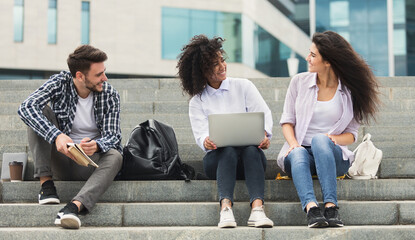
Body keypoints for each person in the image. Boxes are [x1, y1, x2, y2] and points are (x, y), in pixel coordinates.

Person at [277, 31, 380, 228]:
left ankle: (331, 207)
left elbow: (351, 135)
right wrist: (293, 144)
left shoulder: (349, 92)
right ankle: (312, 209)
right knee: (299, 152)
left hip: (332, 155)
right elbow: (287, 121)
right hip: (300, 156)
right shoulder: (298, 82)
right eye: (310, 53)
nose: (308, 58)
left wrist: (330, 139)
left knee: (320, 140)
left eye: (313, 55)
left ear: (328, 62)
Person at [18, 45, 122, 229]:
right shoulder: (60, 82)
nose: (104, 78)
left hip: (89, 164)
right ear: (80, 76)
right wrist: (57, 136)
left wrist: (97, 145)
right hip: (59, 158)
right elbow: (26, 107)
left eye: (104, 72)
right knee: (38, 111)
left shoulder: (110, 94)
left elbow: (113, 136)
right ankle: (46, 185)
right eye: (99, 75)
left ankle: (74, 207)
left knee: (116, 155)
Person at [177, 35, 274, 228]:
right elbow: (201, 134)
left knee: (251, 150)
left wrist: (264, 135)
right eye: (215, 64)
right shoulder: (198, 101)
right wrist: (206, 141)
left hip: (250, 160)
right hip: (218, 162)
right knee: (227, 150)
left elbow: (264, 116)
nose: (222, 66)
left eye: (222, 60)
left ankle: (257, 209)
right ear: (202, 71)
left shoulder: (244, 86)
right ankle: (225, 209)